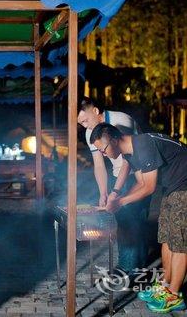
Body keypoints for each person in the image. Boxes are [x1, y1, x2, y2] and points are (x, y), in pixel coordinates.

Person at [90, 123, 186, 313]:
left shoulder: (144, 145)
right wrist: (117, 198)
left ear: (115, 140)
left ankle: (174, 296)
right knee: (167, 238)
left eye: (103, 149)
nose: (102, 154)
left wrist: (121, 202)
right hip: (172, 188)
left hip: (184, 186)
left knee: (180, 241)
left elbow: (149, 187)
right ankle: (165, 286)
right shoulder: (130, 153)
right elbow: (141, 183)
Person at [77, 97, 149, 276]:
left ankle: (133, 269)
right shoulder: (90, 133)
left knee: (134, 220)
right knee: (123, 221)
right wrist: (103, 192)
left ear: (95, 110)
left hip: (140, 172)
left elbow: (128, 159)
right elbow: (99, 165)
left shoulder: (121, 121)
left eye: (85, 120)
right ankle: (127, 265)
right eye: (81, 123)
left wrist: (116, 191)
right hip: (119, 176)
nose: (85, 126)